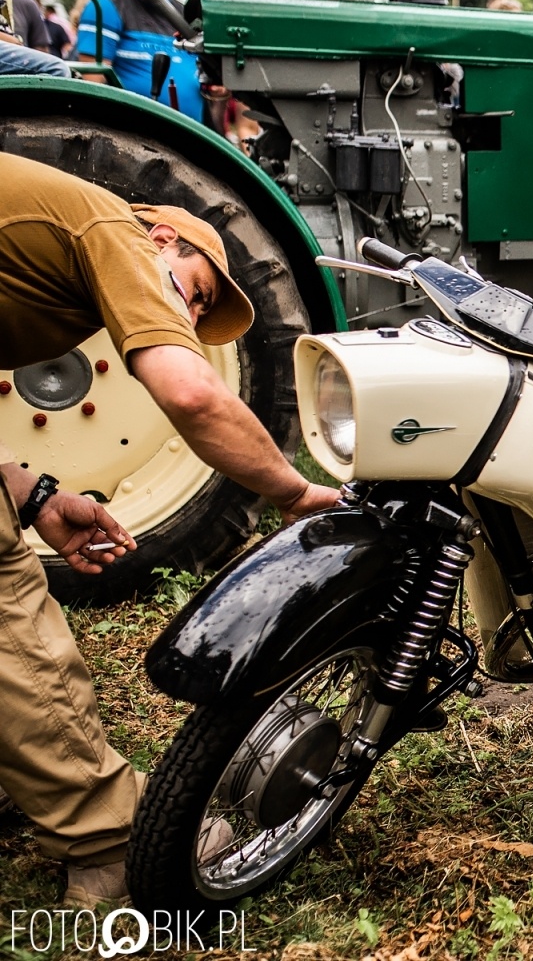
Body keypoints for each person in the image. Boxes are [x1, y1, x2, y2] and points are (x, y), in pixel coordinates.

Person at [0, 154, 342, 907]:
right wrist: (292, 491)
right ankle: (109, 841)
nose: (188, 318)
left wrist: (32, 494)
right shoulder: (111, 228)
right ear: (162, 238)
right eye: (197, 292)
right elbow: (191, 394)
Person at [76, 0, 205, 121]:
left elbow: (210, 82)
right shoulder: (107, 7)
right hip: (134, 134)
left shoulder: (186, 15)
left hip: (193, 134)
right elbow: (94, 85)